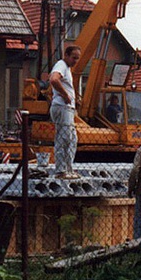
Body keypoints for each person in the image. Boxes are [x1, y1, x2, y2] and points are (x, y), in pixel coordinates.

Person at [49, 45, 81, 179]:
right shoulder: (61, 65)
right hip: (63, 107)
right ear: (66, 55)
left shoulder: (66, 68)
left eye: (77, 58)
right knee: (64, 138)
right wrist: (65, 95)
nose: (75, 61)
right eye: (73, 58)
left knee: (72, 139)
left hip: (66, 108)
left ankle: (67, 169)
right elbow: (53, 79)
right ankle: (61, 170)